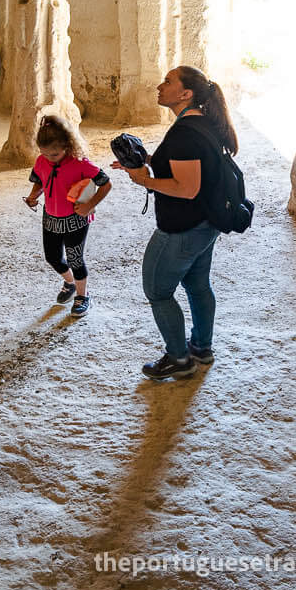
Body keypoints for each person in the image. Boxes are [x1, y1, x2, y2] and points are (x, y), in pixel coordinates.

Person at [113, 65, 236, 380]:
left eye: (168, 82)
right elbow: (189, 167)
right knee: (198, 285)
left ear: (186, 94)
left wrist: (143, 180)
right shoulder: (201, 123)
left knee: (157, 291)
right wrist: (148, 160)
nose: (159, 86)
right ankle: (202, 347)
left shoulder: (184, 134)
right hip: (206, 222)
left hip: (183, 227)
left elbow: (186, 188)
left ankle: (179, 359)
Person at [24, 113, 112, 316]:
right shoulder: (41, 161)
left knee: (75, 259)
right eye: (44, 153)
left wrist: (90, 205)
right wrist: (33, 195)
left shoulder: (80, 163)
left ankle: (83, 296)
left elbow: (106, 184)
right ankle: (70, 283)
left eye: (54, 155)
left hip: (76, 220)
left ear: (68, 145)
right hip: (51, 218)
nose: (49, 158)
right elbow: (40, 180)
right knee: (52, 257)